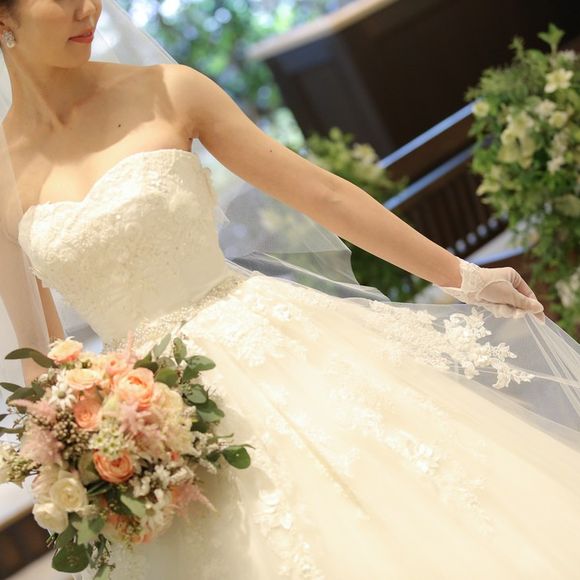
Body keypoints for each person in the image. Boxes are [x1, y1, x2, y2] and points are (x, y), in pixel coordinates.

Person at [1, 0, 580, 578]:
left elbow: (322, 194)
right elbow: (40, 358)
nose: (88, 8)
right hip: (146, 430)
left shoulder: (170, 90)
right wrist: (71, 456)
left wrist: (465, 276)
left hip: (274, 351)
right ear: (4, 19)